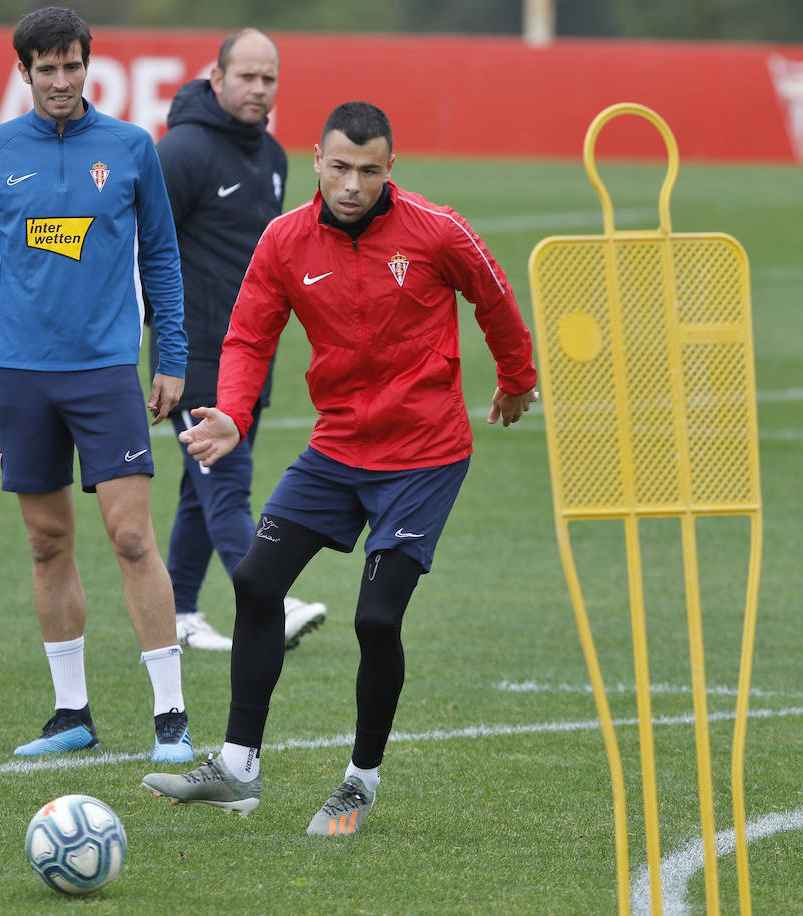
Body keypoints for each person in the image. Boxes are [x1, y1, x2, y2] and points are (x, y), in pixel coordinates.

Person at [142, 101, 540, 835]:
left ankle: (359, 781)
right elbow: (248, 334)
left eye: (369, 170)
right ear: (316, 161)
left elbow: (493, 292)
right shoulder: (285, 240)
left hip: (423, 453)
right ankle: (237, 767)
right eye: (339, 167)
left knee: (376, 618)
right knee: (257, 581)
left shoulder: (436, 230)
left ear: (392, 169)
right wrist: (232, 408)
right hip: (338, 447)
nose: (352, 184)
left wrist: (516, 375)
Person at [0, 7, 194, 764]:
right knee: (47, 542)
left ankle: (172, 719)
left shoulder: (129, 148)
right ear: (23, 72)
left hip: (106, 372)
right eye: (46, 68)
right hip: (21, 374)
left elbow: (161, 258)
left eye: (72, 66)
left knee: (130, 536)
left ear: (90, 66)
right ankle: (70, 715)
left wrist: (171, 356)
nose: (60, 80)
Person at [147, 27, 325, 653]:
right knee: (225, 477)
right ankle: (270, 603)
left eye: (268, 79)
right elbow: (143, 253)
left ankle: (181, 613)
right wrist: (155, 345)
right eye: (246, 76)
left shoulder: (273, 157)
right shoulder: (181, 154)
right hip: (191, 352)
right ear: (216, 79)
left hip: (253, 354)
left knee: (202, 488)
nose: (258, 89)